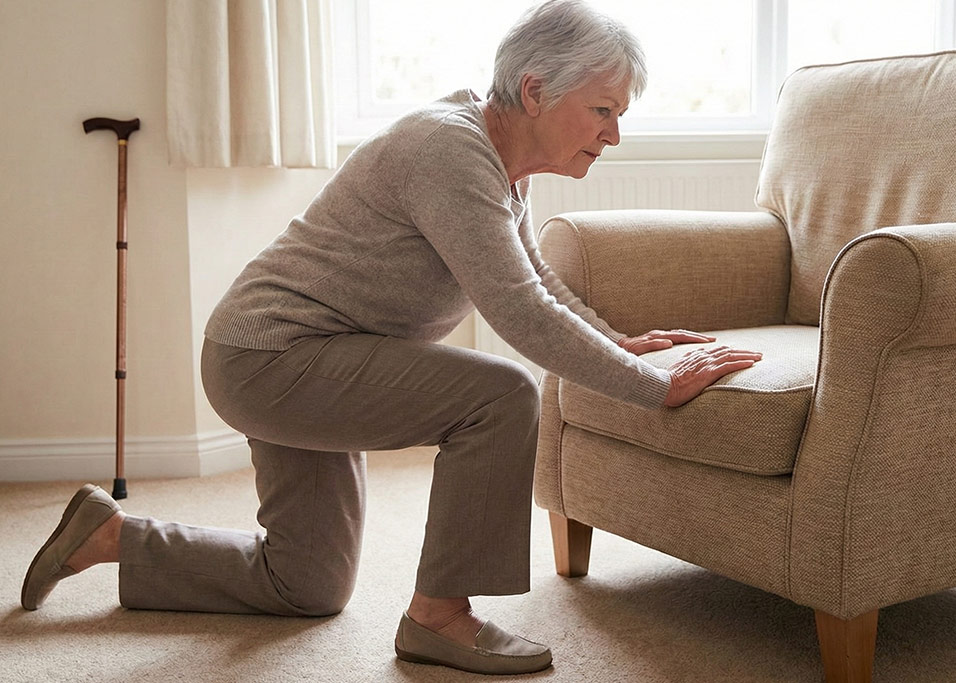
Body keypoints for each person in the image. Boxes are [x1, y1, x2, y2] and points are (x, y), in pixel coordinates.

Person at [21, 0, 761, 675]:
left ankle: (111, 534)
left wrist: (622, 343)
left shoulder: (501, 166)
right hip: (273, 356)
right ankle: (441, 614)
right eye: (602, 108)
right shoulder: (448, 150)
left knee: (305, 584)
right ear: (535, 91)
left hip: (309, 355)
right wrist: (654, 386)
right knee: (501, 397)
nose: (614, 133)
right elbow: (521, 311)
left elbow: (537, 282)